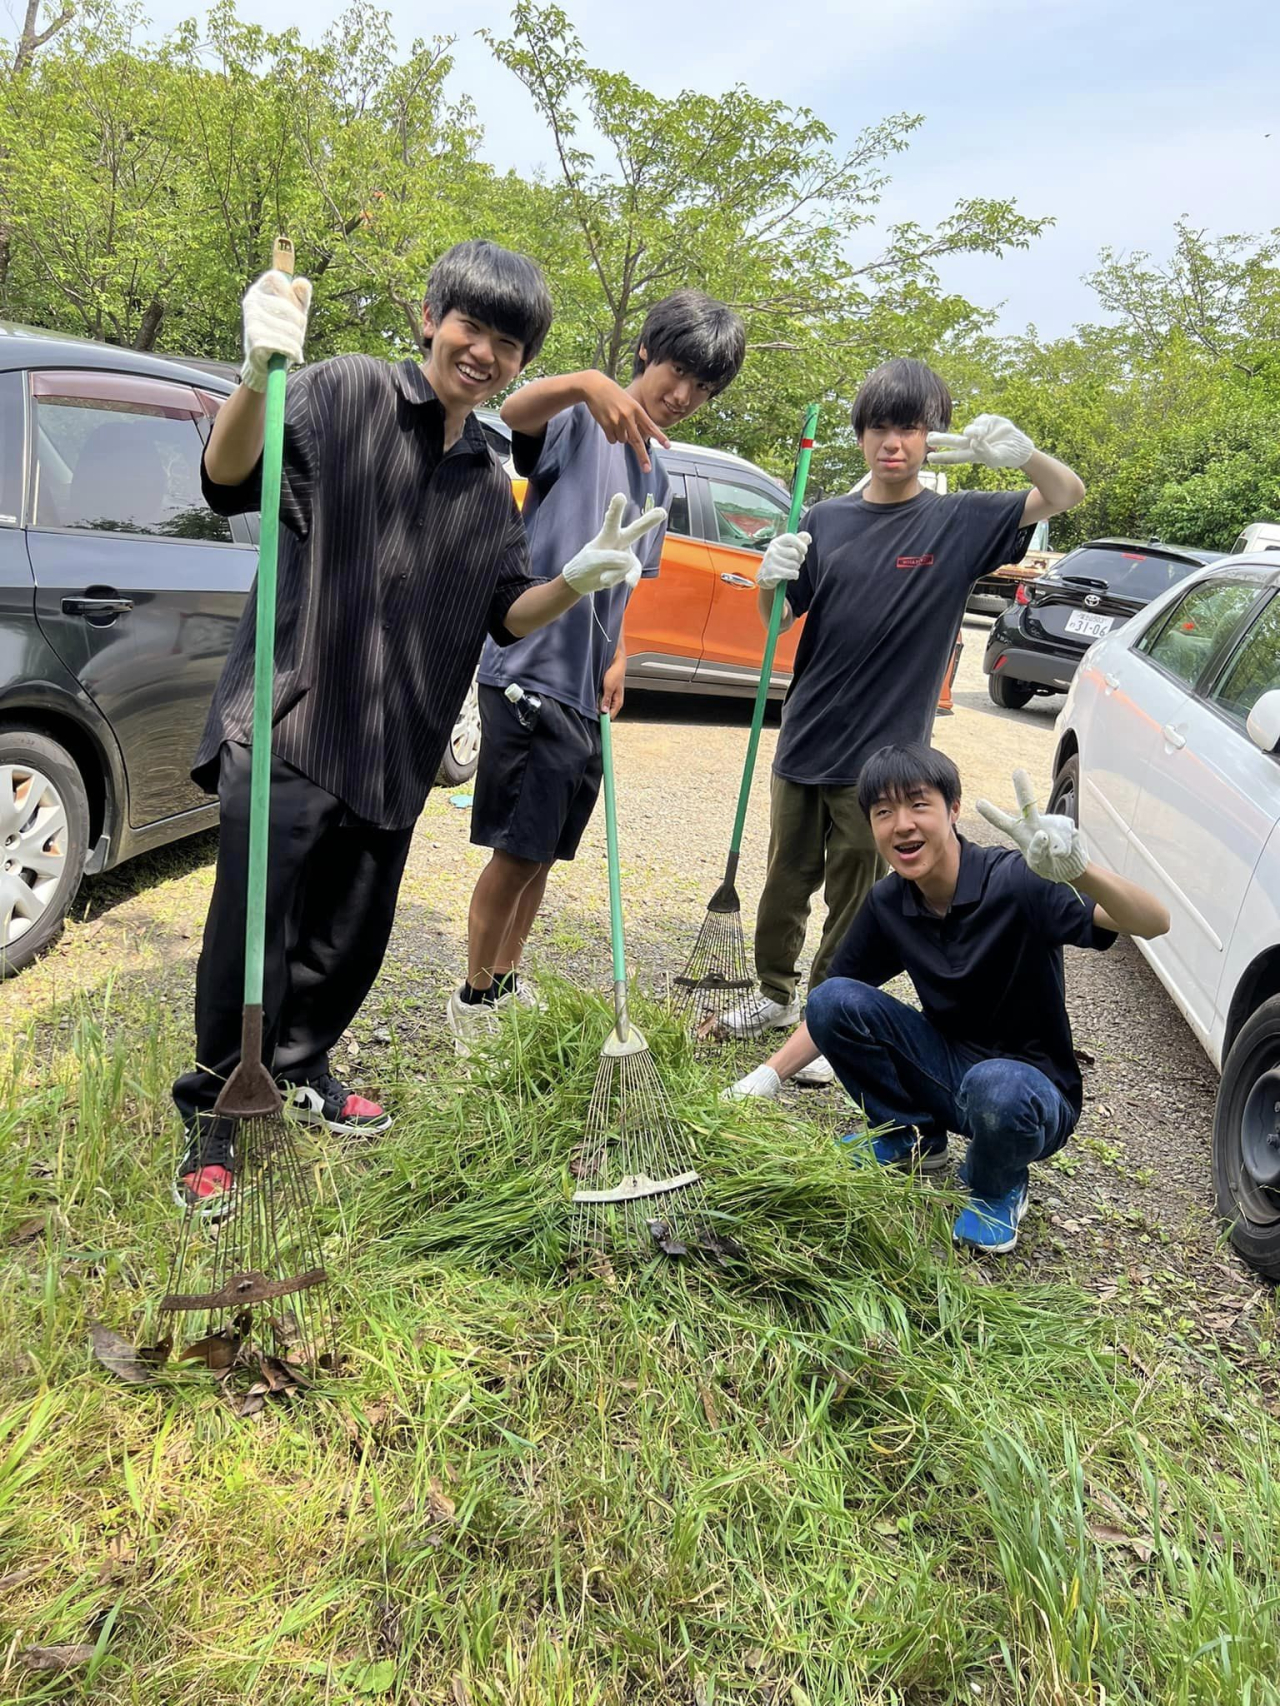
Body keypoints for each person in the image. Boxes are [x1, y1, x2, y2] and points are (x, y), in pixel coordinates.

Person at [172, 239, 664, 1212]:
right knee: (251, 939)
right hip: (292, 721)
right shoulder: (345, 388)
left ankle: (302, 1068)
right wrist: (257, 375)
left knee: (346, 940)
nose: (483, 351)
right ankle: (214, 1113)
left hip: (398, 744)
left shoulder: (488, 470)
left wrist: (581, 579)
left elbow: (505, 611)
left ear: (522, 360)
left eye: (508, 341)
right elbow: (227, 478)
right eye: (470, 325)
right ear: (430, 320)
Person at [721, 358, 1086, 1089]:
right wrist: (770, 581)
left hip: (884, 764)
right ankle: (770, 995)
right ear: (860, 436)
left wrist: (1022, 455)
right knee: (785, 881)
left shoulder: (958, 520)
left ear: (930, 437)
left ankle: (821, 1020)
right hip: (806, 736)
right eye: (881, 427)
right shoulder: (825, 519)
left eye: (911, 427)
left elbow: (1065, 495)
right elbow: (777, 623)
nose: (894, 442)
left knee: (856, 897)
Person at [448, 290, 746, 1052]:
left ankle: (507, 979)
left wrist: (617, 657)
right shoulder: (582, 420)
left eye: (703, 388)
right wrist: (586, 381)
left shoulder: (659, 474)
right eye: (677, 371)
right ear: (645, 353)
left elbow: (629, 581)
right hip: (528, 665)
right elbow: (516, 411)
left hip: (583, 683)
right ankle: (473, 998)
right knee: (517, 851)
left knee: (546, 849)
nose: (682, 396)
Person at [730, 743, 1169, 1252]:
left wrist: (1077, 871)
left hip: (1029, 1092)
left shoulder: (1018, 879)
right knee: (832, 999)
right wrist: (765, 1077)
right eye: (883, 812)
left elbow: (1154, 923)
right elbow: (836, 1001)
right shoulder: (889, 902)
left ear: (953, 809)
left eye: (919, 804)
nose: (902, 825)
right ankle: (910, 1139)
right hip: (947, 1069)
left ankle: (997, 1185)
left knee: (997, 1087)